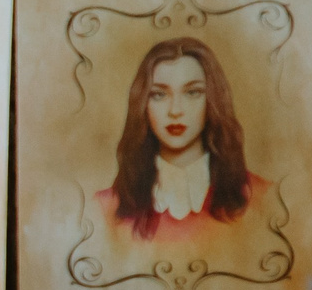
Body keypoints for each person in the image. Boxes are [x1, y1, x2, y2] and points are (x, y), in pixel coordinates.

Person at [97, 36, 270, 240]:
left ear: (212, 100)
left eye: (192, 92)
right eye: (159, 95)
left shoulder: (263, 199)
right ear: (143, 104)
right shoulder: (104, 210)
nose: (175, 110)